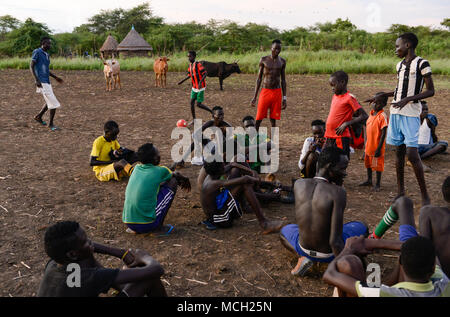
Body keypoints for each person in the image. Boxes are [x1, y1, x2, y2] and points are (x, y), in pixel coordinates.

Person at [366, 33, 434, 206]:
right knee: (399, 152)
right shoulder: (399, 65)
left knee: (412, 153)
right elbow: (399, 89)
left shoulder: (422, 63)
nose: (396, 49)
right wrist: (382, 95)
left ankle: (425, 196)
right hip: (396, 111)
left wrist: (408, 99)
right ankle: (400, 192)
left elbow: (430, 91)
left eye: (398, 46)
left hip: (411, 113)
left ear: (408, 45)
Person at [280, 146, 368, 277]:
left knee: (284, 231)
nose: (345, 173)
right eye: (342, 168)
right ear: (329, 167)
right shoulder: (338, 193)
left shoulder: (299, 184)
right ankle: (329, 263)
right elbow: (335, 241)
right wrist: (340, 267)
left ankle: (303, 257)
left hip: (303, 248)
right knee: (362, 227)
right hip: (329, 254)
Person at [38, 221, 167, 297]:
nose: (91, 242)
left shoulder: (54, 263)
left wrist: (122, 253)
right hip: (91, 279)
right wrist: (143, 256)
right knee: (149, 278)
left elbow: (88, 250)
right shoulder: (89, 277)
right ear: (72, 254)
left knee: (88, 257)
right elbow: (157, 269)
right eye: (86, 242)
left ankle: (123, 284)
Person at [322, 235, 449, 297]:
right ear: (432, 269)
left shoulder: (387, 294)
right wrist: (376, 242)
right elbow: (432, 256)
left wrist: (348, 248)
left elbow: (329, 275)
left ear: (400, 262)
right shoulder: (444, 285)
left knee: (347, 264)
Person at [122, 143, 191, 235]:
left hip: (128, 222)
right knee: (173, 182)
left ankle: (137, 227)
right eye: (158, 153)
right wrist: (185, 179)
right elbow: (175, 175)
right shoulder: (160, 170)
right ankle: (158, 227)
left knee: (154, 187)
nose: (160, 155)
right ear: (155, 158)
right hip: (146, 225)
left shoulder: (136, 168)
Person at [200, 159, 284, 234]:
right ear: (219, 169)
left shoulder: (212, 174)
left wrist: (251, 172)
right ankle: (264, 223)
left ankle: (248, 205)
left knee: (237, 172)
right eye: (222, 165)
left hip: (219, 207)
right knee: (245, 185)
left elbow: (233, 164)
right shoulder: (213, 184)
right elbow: (245, 179)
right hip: (221, 220)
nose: (224, 166)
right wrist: (256, 179)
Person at [325, 71, 368, 158]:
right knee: (329, 161)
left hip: (340, 136)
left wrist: (346, 124)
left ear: (342, 82)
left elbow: (364, 116)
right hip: (329, 135)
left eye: (334, 85)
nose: (332, 88)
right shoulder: (335, 96)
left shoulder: (349, 98)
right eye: (331, 86)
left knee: (341, 162)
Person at [251, 39, 287, 135]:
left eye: (279, 49)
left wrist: (284, 98)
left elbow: (283, 80)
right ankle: (254, 139)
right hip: (265, 91)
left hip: (277, 91)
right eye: (275, 49)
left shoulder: (282, 61)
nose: (277, 51)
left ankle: (274, 140)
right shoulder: (264, 60)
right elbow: (259, 79)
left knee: (273, 119)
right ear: (271, 48)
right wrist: (254, 97)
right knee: (259, 117)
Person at [30, 36, 64, 131]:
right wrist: (36, 80)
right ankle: (51, 124)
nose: (50, 45)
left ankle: (38, 116)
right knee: (53, 102)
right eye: (48, 43)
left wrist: (56, 77)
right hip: (41, 82)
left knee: (49, 101)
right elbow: (31, 66)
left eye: (50, 43)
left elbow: (46, 70)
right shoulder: (37, 52)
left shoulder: (47, 55)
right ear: (43, 43)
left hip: (47, 81)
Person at [359, 92, 389, 191]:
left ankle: (378, 184)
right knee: (368, 164)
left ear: (383, 105)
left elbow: (383, 133)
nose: (375, 105)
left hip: (377, 147)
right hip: (369, 146)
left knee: (377, 166)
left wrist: (379, 148)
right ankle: (369, 180)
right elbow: (367, 132)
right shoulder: (371, 115)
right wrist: (365, 147)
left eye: (378, 103)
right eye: (374, 102)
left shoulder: (382, 116)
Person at [178, 50, 212, 122]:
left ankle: (211, 111)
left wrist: (200, 82)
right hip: (194, 87)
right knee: (191, 103)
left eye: (190, 56)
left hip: (200, 87)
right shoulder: (190, 65)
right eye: (188, 57)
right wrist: (182, 81)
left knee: (198, 104)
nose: (188, 58)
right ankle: (194, 119)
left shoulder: (198, 64)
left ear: (194, 57)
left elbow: (205, 73)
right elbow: (189, 75)